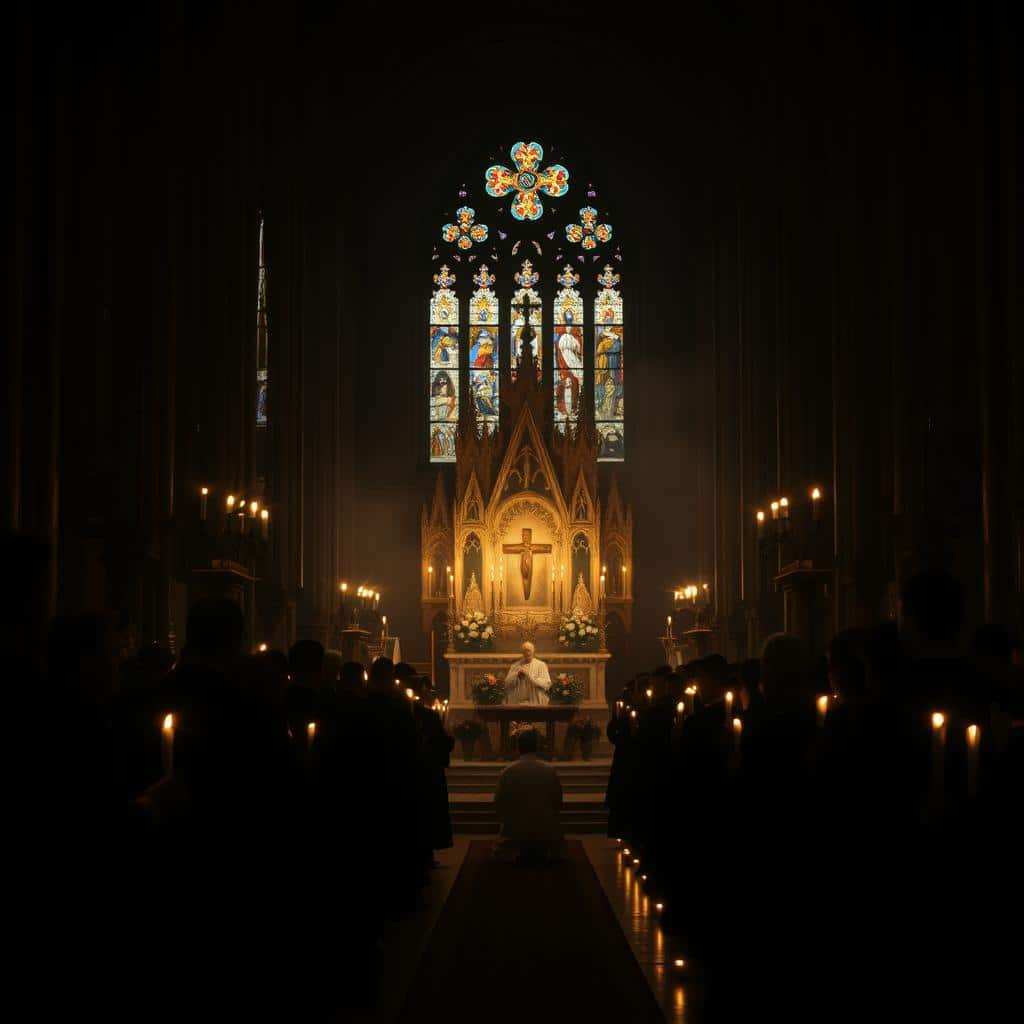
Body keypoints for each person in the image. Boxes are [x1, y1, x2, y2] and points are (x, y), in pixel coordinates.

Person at [493, 728, 564, 863]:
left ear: (518, 747)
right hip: (544, 826)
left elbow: (498, 802)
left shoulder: (508, 772)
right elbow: (557, 802)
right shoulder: (550, 771)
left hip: (515, 827)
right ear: (537, 747)